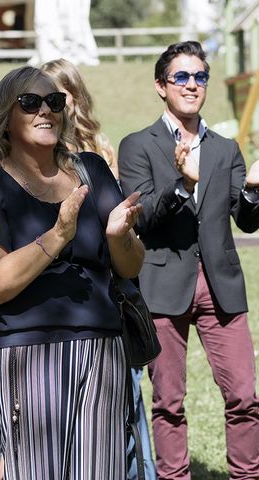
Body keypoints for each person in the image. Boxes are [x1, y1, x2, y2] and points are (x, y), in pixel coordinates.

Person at [0, 65, 145, 479]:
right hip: (28, 352)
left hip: (101, 346)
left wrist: (120, 237)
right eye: (30, 102)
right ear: (5, 115)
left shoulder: (91, 170)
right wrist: (59, 234)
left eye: (54, 101)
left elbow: (131, 265)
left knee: (101, 471)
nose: (45, 110)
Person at [118, 40, 259, 480]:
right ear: (162, 86)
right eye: (181, 76)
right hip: (163, 285)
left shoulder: (225, 149)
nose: (192, 84)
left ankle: (247, 474)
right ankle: (174, 476)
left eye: (200, 76)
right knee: (169, 401)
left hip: (221, 285)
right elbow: (140, 221)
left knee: (244, 397)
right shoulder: (137, 145)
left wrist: (254, 190)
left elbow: (247, 220)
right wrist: (181, 185)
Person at [43, 57, 157, 480]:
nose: (50, 108)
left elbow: (122, 232)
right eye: (39, 99)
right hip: (53, 305)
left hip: (108, 295)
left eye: (60, 97)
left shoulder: (100, 154)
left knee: (119, 415)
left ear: (76, 99)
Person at [41, 58, 118, 178]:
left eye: (60, 96)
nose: (51, 105)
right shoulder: (40, 147)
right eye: (45, 97)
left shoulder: (100, 146)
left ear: (76, 95)